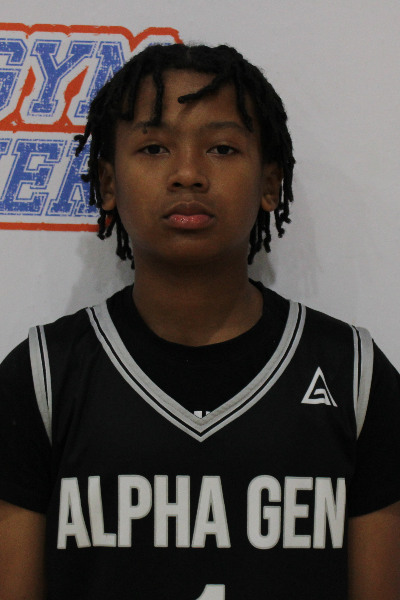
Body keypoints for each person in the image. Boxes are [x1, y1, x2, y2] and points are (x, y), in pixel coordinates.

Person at [0, 43, 399, 600]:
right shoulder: (42, 376)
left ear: (270, 184)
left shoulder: (354, 374)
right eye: (154, 147)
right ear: (109, 183)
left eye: (221, 148)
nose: (188, 173)